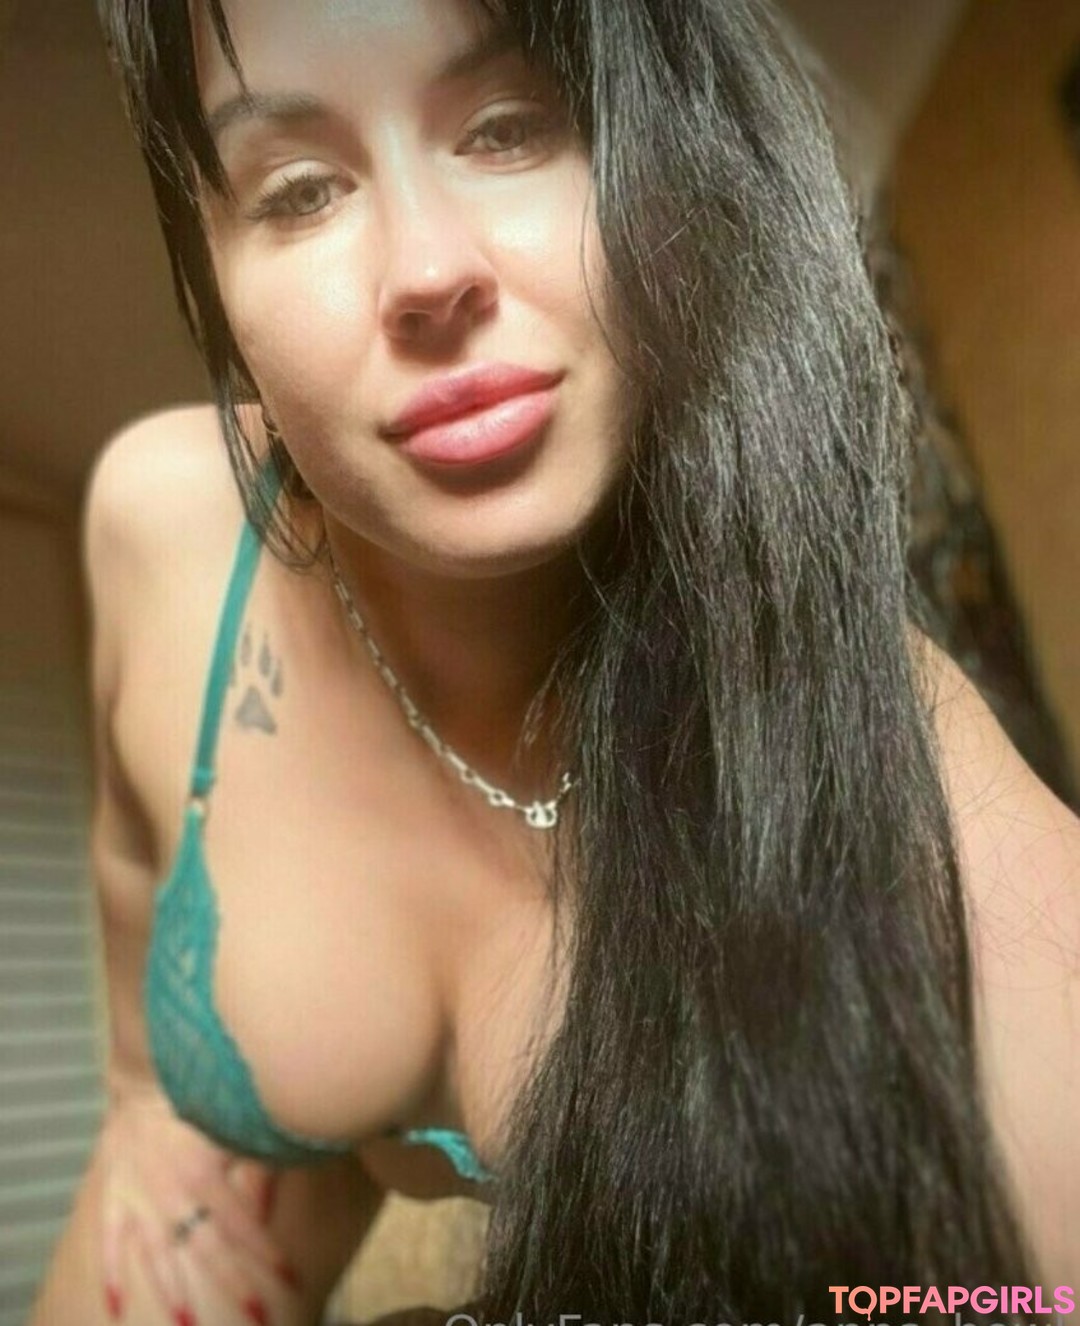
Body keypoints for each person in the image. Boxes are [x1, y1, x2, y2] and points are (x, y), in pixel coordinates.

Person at [30, 0, 1080, 1322]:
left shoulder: (919, 799)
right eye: (298, 190)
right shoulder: (164, 527)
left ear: (682, 163)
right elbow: (141, 937)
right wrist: (151, 1107)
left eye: (507, 127)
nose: (426, 269)